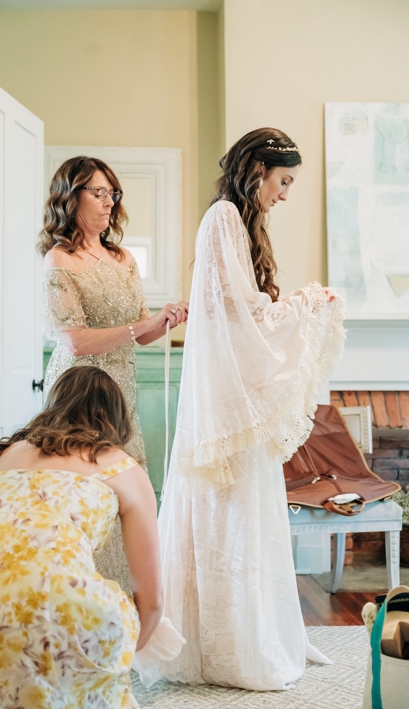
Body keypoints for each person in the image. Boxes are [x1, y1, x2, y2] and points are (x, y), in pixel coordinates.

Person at [156, 128, 346, 689]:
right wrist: (307, 305)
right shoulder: (222, 219)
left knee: (246, 513)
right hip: (227, 400)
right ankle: (228, 649)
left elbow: (245, 307)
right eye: (283, 181)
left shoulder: (240, 223)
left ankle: (257, 631)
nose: (285, 194)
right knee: (229, 509)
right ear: (257, 169)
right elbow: (237, 310)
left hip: (236, 394)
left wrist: (297, 306)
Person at [0, 366, 163, 708]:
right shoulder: (123, 467)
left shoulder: (7, 456)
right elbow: (151, 600)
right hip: (52, 595)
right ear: (117, 416)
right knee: (103, 615)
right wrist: (122, 655)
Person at [40, 156, 188, 595]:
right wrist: (141, 326)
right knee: (84, 492)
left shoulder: (123, 258)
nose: (108, 203)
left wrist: (165, 321)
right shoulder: (59, 259)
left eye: (112, 194)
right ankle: (79, 598)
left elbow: (139, 334)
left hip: (121, 389)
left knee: (124, 491)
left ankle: (123, 606)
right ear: (72, 196)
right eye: (98, 193)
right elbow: (76, 342)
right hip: (78, 391)